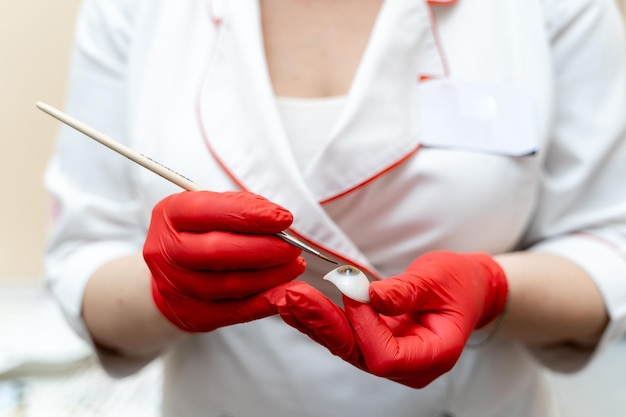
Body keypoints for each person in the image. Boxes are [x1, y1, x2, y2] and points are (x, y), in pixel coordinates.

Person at [43, 0, 626, 416]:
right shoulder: (132, 10)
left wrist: (495, 290)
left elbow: (612, 244)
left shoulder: (555, 8)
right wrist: (169, 290)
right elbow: (82, 259)